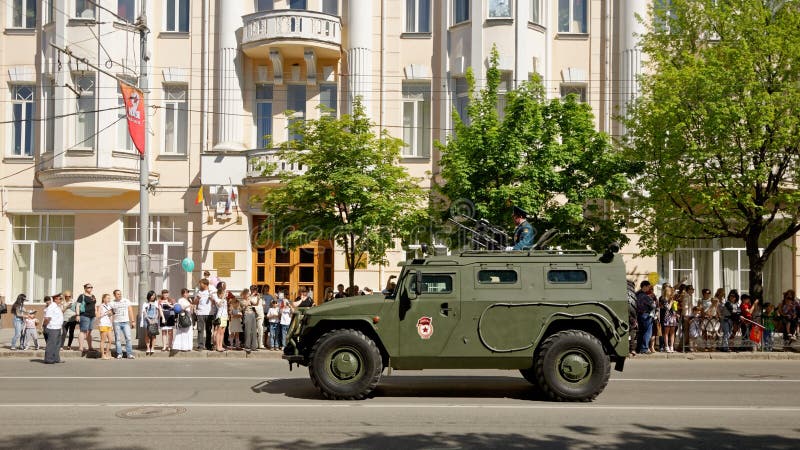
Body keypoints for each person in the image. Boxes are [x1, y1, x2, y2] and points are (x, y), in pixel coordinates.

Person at [111, 289, 135, 359]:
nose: (120, 295)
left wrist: (132, 321)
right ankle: (119, 353)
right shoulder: (112, 303)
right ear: (114, 295)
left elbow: (130, 311)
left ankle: (129, 354)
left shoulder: (126, 301)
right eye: (118, 294)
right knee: (118, 339)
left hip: (126, 322)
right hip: (116, 322)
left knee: (128, 338)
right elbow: (111, 313)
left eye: (120, 294)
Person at [75, 283, 97, 355]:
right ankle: (81, 347)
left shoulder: (93, 296)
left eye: (91, 287)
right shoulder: (82, 296)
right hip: (84, 315)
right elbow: (77, 306)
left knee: (89, 332)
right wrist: (77, 315)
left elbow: (95, 305)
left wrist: (96, 313)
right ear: (85, 288)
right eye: (88, 287)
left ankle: (90, 347)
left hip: (92, 316)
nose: (90, 288)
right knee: (83, 331)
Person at [636, 281, 656, 354]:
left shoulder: (636, 294)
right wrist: (653, 302)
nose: (649, 288)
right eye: (648, 287)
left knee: (641, 332)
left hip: (639, 315)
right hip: (646, 315)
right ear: (644, 286)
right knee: (647, 332)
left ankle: (638, 348)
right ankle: (644, 349)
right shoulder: (645, 296)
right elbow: (653, 306)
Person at [43, 294, 64, 364]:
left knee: (57, 345)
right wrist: (44, 326)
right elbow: (47, 318)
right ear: (55, 299)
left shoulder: (57, 306)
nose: (61, 300)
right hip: (52, 328)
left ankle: (56, 358)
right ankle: (49, 359)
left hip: (57, 327)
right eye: (60, 298)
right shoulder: (51, 307)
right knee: (51, 344)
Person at [140, 291, 162, 355]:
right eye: (152, 295)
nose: (153, 297)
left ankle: (152, 348)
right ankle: (148, 348)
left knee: (154, 334)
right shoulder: (145, 303)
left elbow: (158, 312)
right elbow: (144, 312)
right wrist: (148, 319)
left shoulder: (156, 303)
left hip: (154, 320)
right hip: (147, 320)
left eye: (154, 295)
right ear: (149, 296)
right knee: (147, 334)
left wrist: (155, 319)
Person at [193, 278, 213, 351]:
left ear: (205, 284)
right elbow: (194, 302)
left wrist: (211, 298)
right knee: (200, 330)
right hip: (200, 313)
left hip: (209, 313)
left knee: (209, 330)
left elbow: (214, 302)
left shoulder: (211, 292)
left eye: (201, 284)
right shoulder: (198, 292)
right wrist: (197, 298)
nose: (199, 285)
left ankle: (208, 345)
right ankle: (200, 345)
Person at [212, 281, 229, 352]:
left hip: (225, 316)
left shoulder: (224, 300)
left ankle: (221, 345)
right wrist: (223, 297)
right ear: (219, 294)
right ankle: (217, 346)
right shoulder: (218, 300)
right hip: (220, 316)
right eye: (222, 293)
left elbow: (226, 308)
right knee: (219, 332)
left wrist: (227, 316)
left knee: (223, 332)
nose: (224, 294)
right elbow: (219, 305)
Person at [96, 294, 114, 360]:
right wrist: (104, 313)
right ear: (104, 299)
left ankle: (107, 354)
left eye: (109, 298)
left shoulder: (109, 306)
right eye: (107, 298)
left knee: (110, 340)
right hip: (103, 324)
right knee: (103, 340)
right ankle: (103, 355)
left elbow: (111, 315)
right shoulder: (101, 306)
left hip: (109, 324)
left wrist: (111, 324)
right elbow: (98, 316)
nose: (109, 299)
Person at [242, 288, 258, 353]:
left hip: (252, 315)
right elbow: (245, 305)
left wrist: (257, 298)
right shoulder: (243, 300)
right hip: (247, 315)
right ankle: (247, 346)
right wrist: (250, 297)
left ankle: (254, 346)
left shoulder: (250, 299)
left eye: (249, 293)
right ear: (245, 294)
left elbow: (255, 303)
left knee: (254, 330)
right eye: (248, 293)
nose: (249, 294)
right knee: (248, 331)